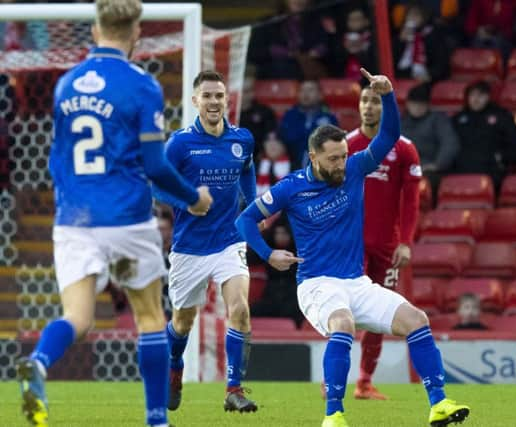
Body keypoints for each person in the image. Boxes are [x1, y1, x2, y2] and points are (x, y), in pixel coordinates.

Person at [236, 68, 470, 427]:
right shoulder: (291, 187)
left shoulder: (356, 168)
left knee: (416, 320)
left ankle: (439, 404)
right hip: (315, 284)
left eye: (345, 156)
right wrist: (268, 255)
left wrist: (389, 95)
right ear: (313, 158)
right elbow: (244, 221)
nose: (342, 164)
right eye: (334, 159)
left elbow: (390, 134)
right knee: (342, 324)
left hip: (355, 282)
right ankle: (334, 415)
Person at [15, 1, 213, 426]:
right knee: (149, 317)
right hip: (126, 218)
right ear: (136, 31)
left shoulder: (66, 85)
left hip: (74, 221)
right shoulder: (141, 85)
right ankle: (157, 420)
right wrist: (192, 197)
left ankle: (38, 362)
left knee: (78, 317)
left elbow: (56, 159)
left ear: (96, 30)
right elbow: (156, 165)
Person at [153, 70, 259, 413]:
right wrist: (187, 202)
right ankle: (174, 365)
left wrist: (252, 207)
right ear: (195, 101)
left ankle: (233, 389)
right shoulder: (181, 143)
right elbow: (157, 186)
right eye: (207, 96)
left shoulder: (242, 138)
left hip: (229, 240)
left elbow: (246, 169)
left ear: (227, 99)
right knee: (182, 323)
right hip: (188, 247)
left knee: (240, 309)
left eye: (219, 95)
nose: (214, 101)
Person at [344, 81, 422, 400]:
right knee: (345, 307)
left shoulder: (403, 148)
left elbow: (412, 199)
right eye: (364, 100)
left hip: (388, 248)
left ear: (386, 107)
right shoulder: (347, 144)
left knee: (379, 313)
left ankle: (364, 381)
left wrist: (405, 241)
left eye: (375, 101)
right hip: (353, 244)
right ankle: (334, 377)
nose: (369, 106)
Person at [451, 80, 516, 191]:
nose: (476, 99)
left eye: (480, 95)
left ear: (488, 97)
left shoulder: (502, 117)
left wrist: (500, 158)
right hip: (461, 170)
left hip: (490, 170)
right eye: (472, 95)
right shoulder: (458, 119)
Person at [400, 83, 459, 198]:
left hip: (429, 168)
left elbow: (450, 143)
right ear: (408, 104)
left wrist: (438, 164)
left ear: (427, 105)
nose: (417, 108)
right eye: (414, 104)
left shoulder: (438, 120)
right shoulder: (401, 122)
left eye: (421, 104)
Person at [250, 216, 304, 327]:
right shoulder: (269, 248)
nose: (280, 237)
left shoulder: (301, 249)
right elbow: (248, 258)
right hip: (271, 296)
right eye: (278, 233)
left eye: (284, 233)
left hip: (293, 298)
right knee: (248, 312)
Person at [279, 79, 338, 169]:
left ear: (320, 95)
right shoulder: (290, 115)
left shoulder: (329, 118)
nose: (306, 94)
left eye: (310, 90)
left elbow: (330, 144)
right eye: (302, 90)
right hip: (292, 164)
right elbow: (287, 139)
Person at [394, 2, 450, 83]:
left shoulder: (433, 36)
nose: (412, 19)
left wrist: (430, 75)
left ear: (424, 17)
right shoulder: (401, 35)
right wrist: (400, 42)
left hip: (425, 75)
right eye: (409, 15)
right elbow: (391, 60)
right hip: (402, 73)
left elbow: (440, 64)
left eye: (416, 16)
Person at [239, 65, 278, 159]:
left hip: (257, 156)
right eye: (241, 91)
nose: (243, 95)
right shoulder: (228, 112)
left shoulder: (265, 112)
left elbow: (271, 138)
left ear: (253, 92)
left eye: (247, 91)